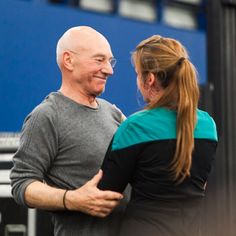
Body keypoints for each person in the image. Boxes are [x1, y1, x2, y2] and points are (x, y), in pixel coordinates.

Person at [10, 26, 129, 236]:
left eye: (110, 61)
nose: (109, 70)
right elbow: (22, 183)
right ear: (68, 61)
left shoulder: (113, 112)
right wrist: (72, 199)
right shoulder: (46, 116)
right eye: (99, 60)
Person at [98, 35, 218, 236]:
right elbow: (200, 184)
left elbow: (104, 195)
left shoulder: (134, 127)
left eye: (138, 74)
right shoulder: (208, 126)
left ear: (150, 78)